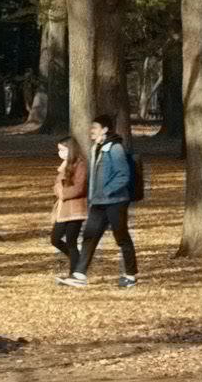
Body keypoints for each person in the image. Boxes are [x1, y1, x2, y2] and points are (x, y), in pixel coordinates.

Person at [59, 114, 138, 289]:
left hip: (116, 202)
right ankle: (79, 275)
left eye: (94, 128)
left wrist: (107, 191)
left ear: (104, 130)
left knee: (122, 237)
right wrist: (94, 196)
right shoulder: (96, 148)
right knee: (89, 236)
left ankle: (131, 275)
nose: (91, 131)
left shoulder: (115, 148)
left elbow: (123, 175)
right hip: (98, 203)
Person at [49, 138, 89, 274]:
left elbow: (79, 188)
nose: (61, 153)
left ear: (71, 149)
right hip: (63, 208)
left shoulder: (81, 165)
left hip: (75, 208)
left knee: (71, 241)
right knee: (55, 239)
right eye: (59, 150)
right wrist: (59, 191)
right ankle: (77, 262)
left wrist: (62, 193)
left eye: (63, 150)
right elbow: (57, 184)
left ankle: (75, 272)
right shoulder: (65, 166)